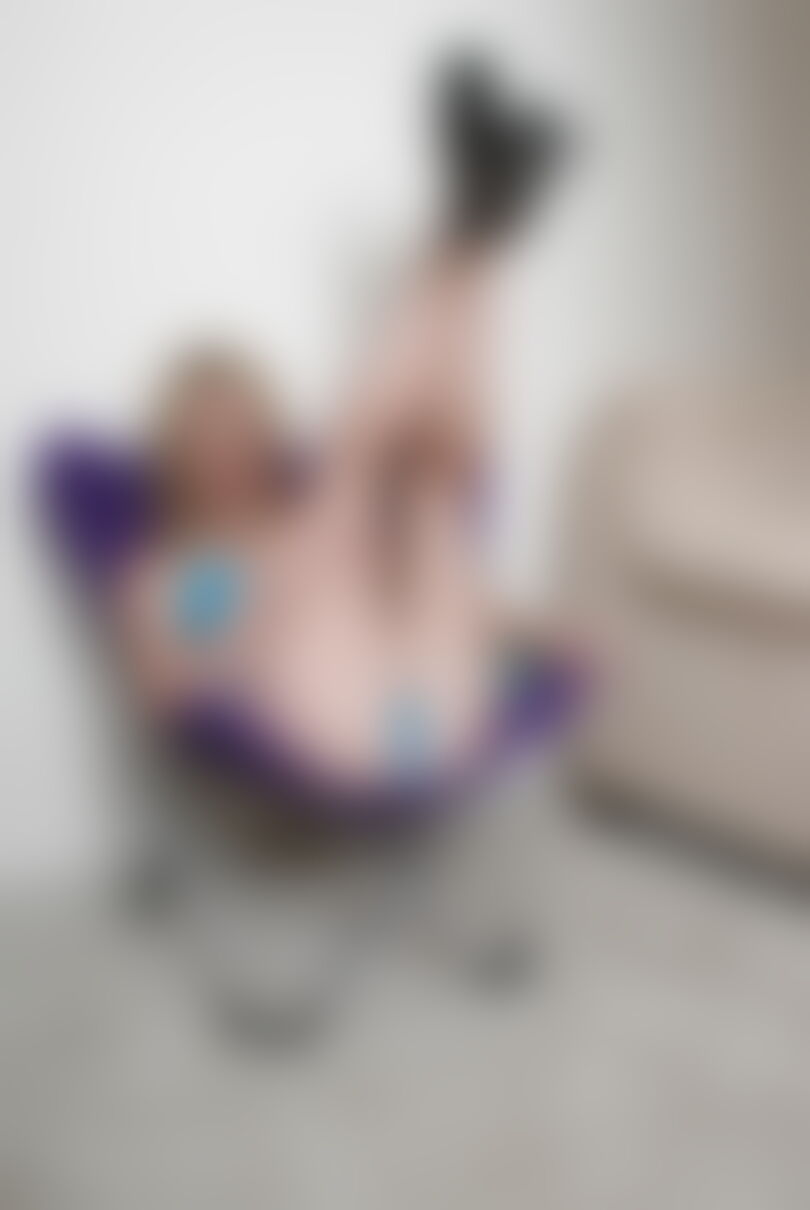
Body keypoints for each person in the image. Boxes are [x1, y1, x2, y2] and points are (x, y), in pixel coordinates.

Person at [116, 59, 576, 791]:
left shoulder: (298, 524)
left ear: (264, 441)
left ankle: (476, 231)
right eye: (205, 434)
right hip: (332, 729)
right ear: (173, 453)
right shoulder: (163, 576)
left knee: (424, 492)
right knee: (351, 484)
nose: (225, 449)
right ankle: (467, 239)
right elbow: (174, 690)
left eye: (239, 429)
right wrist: (229, 640)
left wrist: (542, 631)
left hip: (427, 708)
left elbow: (451, 593)